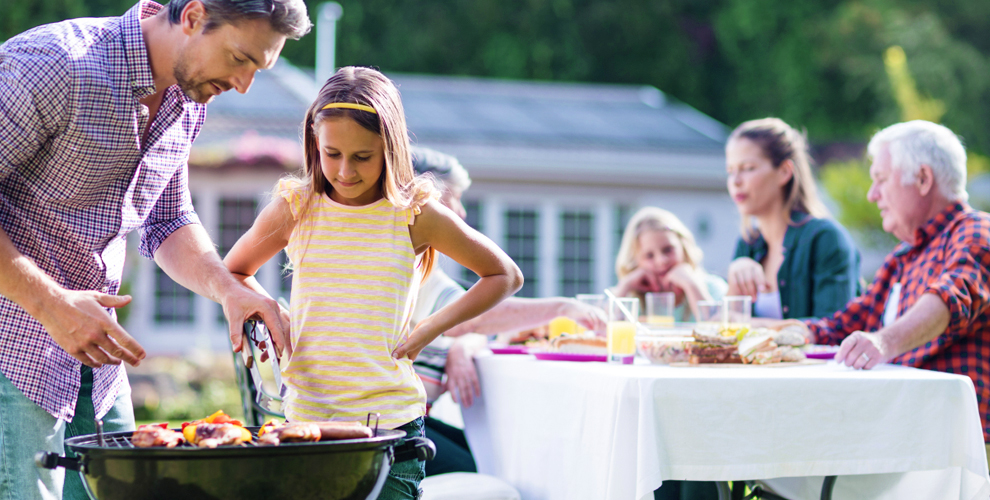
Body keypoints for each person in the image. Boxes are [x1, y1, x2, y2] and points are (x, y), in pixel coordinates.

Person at [0, 2, 310, 499]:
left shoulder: (188, 100)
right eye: (238, 58)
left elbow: (166, 218)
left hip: (96, 362)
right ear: (192, 16)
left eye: (257, 67)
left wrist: (229, 290)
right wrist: (52, 304)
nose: (244, 83)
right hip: (12, 352)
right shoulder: (52, 65)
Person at [223, 67, 523, 499]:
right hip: (306, 425)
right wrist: (268, 307)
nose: (344, 171)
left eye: (362, 156)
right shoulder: (295, 207)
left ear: (390, 147)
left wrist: (429, 329)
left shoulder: (416, 214)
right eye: (332, 153)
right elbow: (233, 272)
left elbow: (504, 275)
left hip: (390, 430)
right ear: (314, 142)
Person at [406, 146, 607, 476]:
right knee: (485, 466)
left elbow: (462, 324)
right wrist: (562, 307)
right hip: (390, 428)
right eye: (457, 198)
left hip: (410, 419)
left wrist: (463, 344)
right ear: (431, 197)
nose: (463, 212)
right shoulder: (407, 262)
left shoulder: (424, 266)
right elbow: (477, 317)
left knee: (495, 451)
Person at [799, 121, 990, 447]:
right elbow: (847, 323)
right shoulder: (903, 256)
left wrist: (884, 342)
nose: (872, 195)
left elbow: (951, 296)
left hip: (960, 449)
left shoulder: (976, 231)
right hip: (907, 435)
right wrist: (783, 334)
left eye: (881, 180)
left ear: (922, 178)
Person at [725, 118, 861, 319]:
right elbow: (726, 332)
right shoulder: (748, 244)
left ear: (784, 172)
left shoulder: (826, 239)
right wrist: (733, 287)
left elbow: (833, 329)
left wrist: (754, 326)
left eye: (748, 168)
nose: (736, 181)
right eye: (730, 171)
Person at [613, 207, 727, 322]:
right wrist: (624, 286)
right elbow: (607, 330)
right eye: (649, 255)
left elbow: (718, 330)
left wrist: (691, 285)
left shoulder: (713, 288)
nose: (661, 260)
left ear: (683, 247)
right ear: (635, 261)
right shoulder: (631, 297)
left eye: (668, 249)